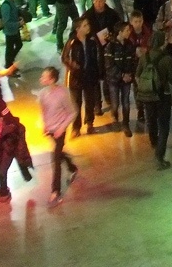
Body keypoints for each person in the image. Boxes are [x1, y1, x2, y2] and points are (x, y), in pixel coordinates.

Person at [38, 66, 78, 205]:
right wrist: (44, 125)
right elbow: (43, 110)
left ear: (52, 79)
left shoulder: (63, 93)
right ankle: (72, 168)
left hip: (60, 130)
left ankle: (55, 192)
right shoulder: (43, 93)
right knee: (59, 153)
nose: (41, 78)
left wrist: (61, 128)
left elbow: (72, 112)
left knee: (55, 159)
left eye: (44, 76)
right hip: (50, 130)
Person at [138, 29, 172, 168]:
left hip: (148, 95)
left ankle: (154, 142)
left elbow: (138, 74)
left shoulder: (144, 57)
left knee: (151, 120)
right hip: (163, 95)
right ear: (161, 42)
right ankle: (160, 155)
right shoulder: (167, 59)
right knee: (164, 125)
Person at [62, 17, 102, 135]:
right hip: (76, 78)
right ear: (77, 29)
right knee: (76, 103)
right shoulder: (72, 42)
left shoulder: (92, 40)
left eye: (88, 24)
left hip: (89, 76)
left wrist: (97, 72)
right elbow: (64, 57)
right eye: (85, 25)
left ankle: (90, 123)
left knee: (90, 101)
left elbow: (96, 57)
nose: (88, 27)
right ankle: (76, 127)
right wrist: (74, 66)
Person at [105, 22, 138, 137]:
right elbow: (109, 65)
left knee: (126, 102)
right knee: (115, 103)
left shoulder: (130, 44)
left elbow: (133, 61)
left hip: (126, 80)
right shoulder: (110, 46)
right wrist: (122, 75)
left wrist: (130, 74)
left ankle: (125, 124)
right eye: (127, 30)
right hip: (114, 80)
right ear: (120, 32)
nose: (129, 32)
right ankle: (114, 115)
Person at [0, 0, 28, 73]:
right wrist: (18, 23)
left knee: (18, 45)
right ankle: (9, 65)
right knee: (10, 49)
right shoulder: (6, 5)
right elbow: (6, 22)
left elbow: (13, 14)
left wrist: (18, 19)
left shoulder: (11, 2)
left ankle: (10, 61)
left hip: (15, 30)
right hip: (10, 32)